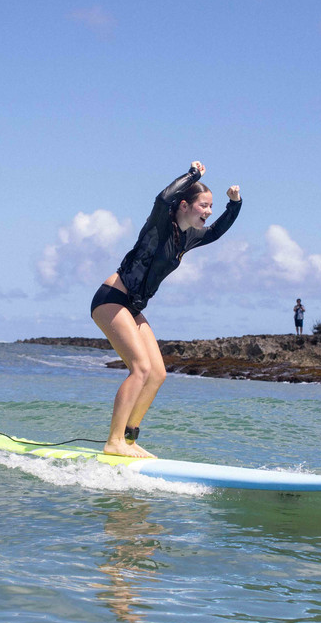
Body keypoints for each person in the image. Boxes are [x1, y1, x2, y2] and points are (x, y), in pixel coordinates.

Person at [90, 161, 242, 458]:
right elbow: (162, 199)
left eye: (211, 207)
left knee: (158, 373)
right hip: (112, 299)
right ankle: (113, 442)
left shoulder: (189, 236)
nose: (209, 212)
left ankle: (128, 439)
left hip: (133, 307)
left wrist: (234, 205)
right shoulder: (162, 223)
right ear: (184, 205)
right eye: (204, 206)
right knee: (141, 368)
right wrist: (192, 176)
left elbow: (216, 232)